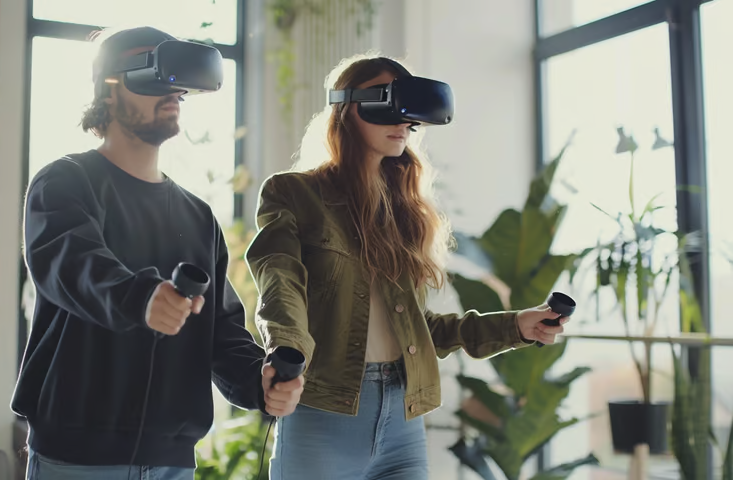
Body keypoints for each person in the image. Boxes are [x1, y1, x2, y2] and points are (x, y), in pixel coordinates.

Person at [244, 53, 571, 480]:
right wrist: (286, 349)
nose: (404, 122)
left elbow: (423, 328)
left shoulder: (403, 212)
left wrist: (515, 326)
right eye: (389, 105)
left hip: (403, 417)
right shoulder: (294, 193)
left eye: (410, 115)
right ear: (348, 107)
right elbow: (279, 277)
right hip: (325, 413)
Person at [11, 26, 303, 480]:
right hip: (77, 459)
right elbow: (74, 265)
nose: (172, 95)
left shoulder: (197, 216)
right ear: (108, 90)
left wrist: (258, 381)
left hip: (172, 463)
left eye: (178, 87)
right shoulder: (65, 183)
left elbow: (221, 331)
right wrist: (141, 297)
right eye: (152, 78)